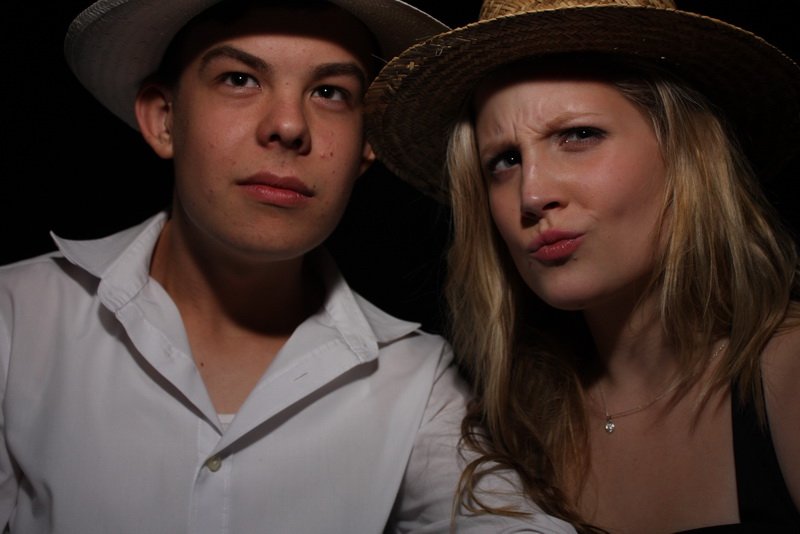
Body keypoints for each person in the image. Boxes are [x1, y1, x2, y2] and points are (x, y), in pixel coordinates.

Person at [0, 0, 576, 532]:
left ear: (367, 144)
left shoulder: (421, 382)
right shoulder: (16, 318)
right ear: (164, 118)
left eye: (329, 92)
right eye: (239, 79)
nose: (289, 125)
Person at [365, 0, 800, 532]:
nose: (532, 194)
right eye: (505, 160)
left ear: (687, 152)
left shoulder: (787, 376)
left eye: (578, 136)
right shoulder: (503, 425)